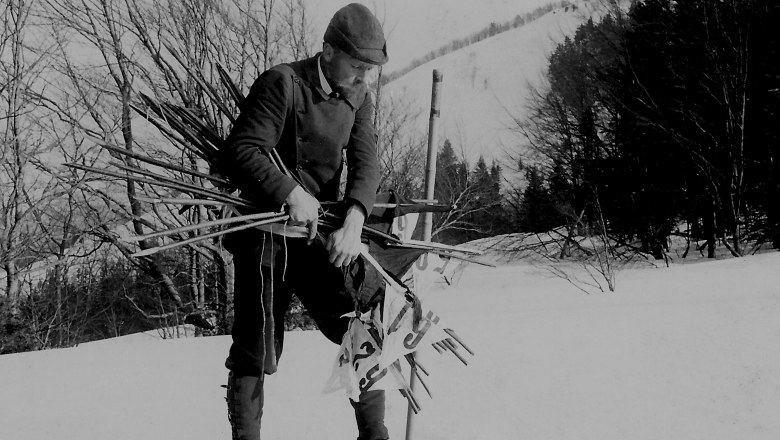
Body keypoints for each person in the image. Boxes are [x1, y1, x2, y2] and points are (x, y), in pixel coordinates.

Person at [218, 3, 389, 440]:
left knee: (364, 320)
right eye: (356, 65)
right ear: (328, 51)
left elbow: (367, 164)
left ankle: (375, 436)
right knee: (256, 348)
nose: (361, 77)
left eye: (368, 69)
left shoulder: (358, 97)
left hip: (321, 235)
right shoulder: (283, 82)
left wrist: (354, 216)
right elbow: (242, 150)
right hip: (265, 237)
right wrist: (290, 192)